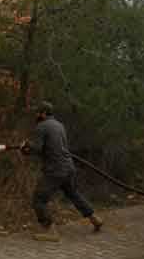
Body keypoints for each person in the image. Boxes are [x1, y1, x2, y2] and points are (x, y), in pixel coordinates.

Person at [21, 101, 103, 241]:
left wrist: (28, 146)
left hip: (55, 170)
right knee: (73, 194)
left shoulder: (42, 126)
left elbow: (39, 149)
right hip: (68, 167)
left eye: (38, 112)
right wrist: (28, 150)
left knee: (38, 200)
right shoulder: (59, 125)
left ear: (44, 113)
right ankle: (95, 219)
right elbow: (53, 148)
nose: (36, 115)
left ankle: (52, 232)